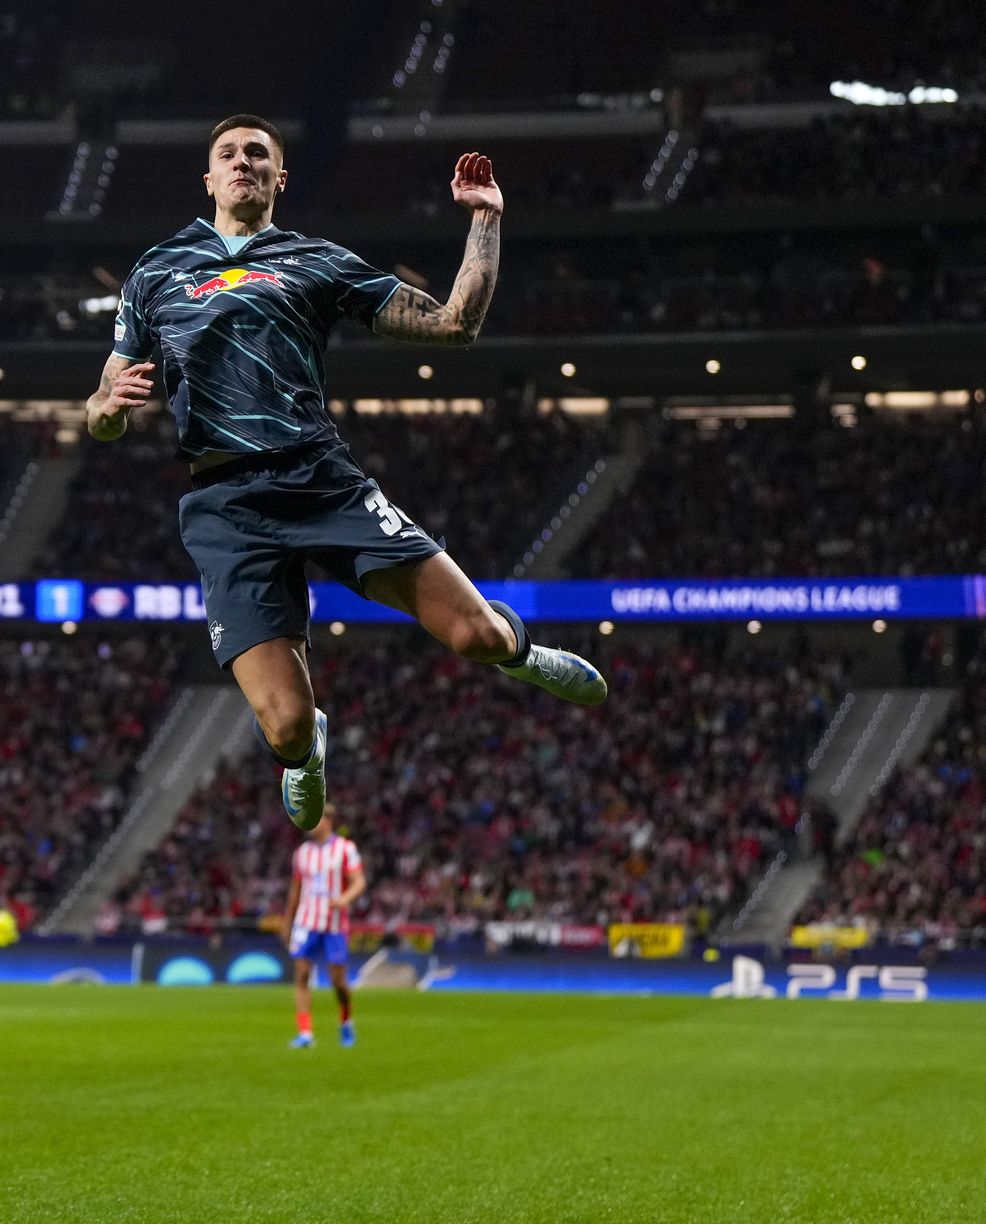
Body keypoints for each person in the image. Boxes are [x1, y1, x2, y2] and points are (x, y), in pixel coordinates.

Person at [85, 115, 607, 833]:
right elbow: (101, 404)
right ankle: (307, 756)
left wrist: (485, 220)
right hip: (226, 505)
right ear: (208, 178)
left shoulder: (315, 260)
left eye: (258, 154)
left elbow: (454, 325)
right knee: (287, 727)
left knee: (477, 638)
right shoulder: (155, 272)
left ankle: (522, 652)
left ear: (279, 178)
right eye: (229, 154)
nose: (243, 162)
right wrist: (108, 406)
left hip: (320, 479)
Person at [282, 808, 365, 1049]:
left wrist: (345, 898)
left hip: (334, 923)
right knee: (302, 974)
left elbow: (359, 881)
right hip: (306, 922)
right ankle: (305, 1033)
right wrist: (288, 922)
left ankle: (346, 1020)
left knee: (338, 981)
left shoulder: (345, 849)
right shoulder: (302, 853)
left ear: (328, 821)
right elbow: (295, 890)